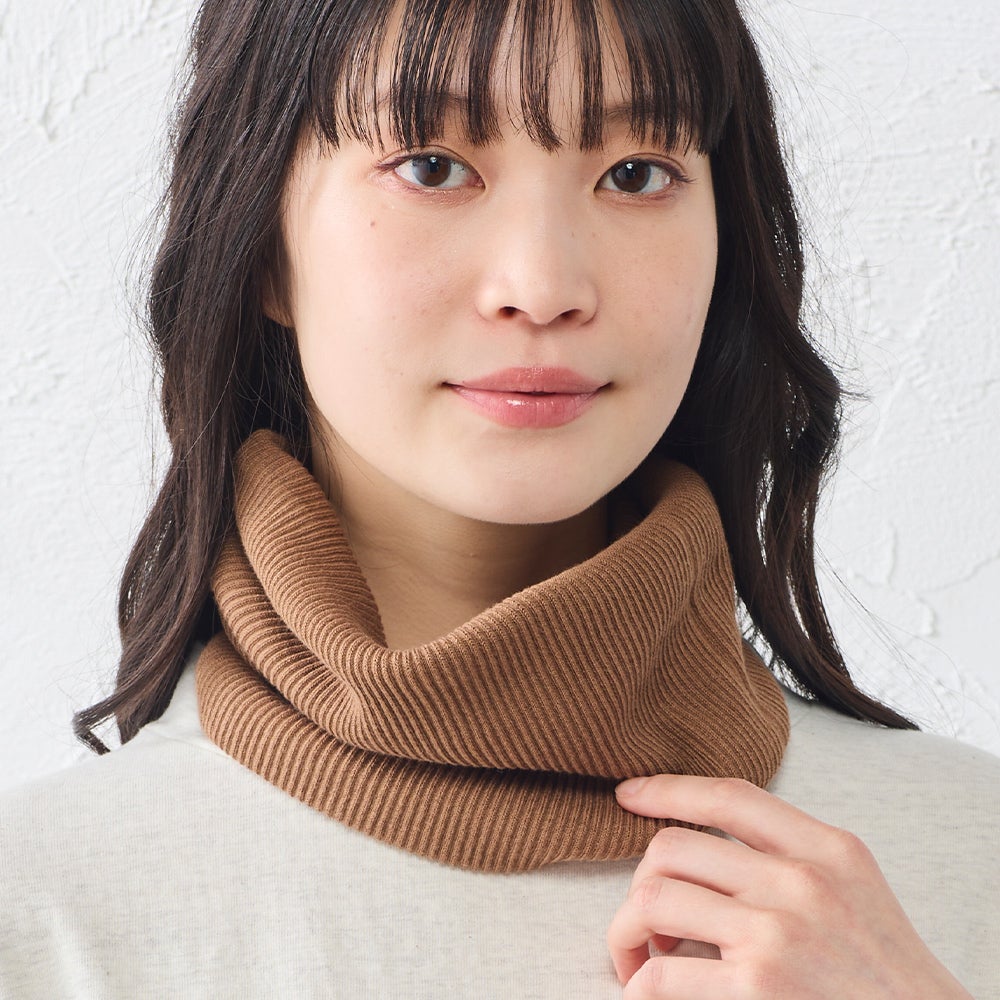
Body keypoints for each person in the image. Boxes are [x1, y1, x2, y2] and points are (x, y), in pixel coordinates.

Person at [2, 0, 998, 997]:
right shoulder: (45, 910)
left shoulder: (968, 852)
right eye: (432, 167)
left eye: (636, 173)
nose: (544, 283)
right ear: (262, 238)